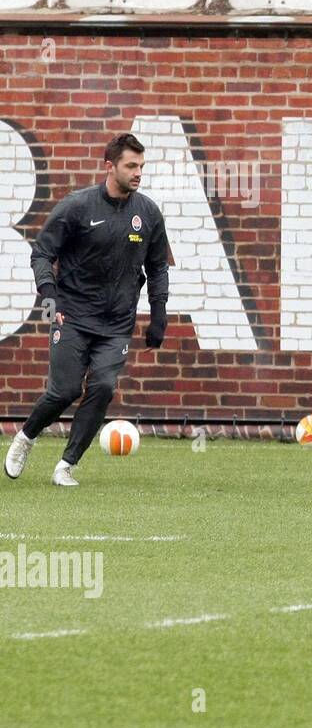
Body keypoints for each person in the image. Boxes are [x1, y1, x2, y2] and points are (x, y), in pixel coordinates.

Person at [5, 133, 169, 487]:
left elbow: (157, 268)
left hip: (117, 323)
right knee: (64, 391)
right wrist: (50, 296)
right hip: (72, 315)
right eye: (131, 166)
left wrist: (159, 314)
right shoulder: (77, 207)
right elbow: (42, 254)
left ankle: (66, 465)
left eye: (141, 166)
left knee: (104, 386)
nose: (138, 172)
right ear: (110, 166)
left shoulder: (148, 213)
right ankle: (27, 436)